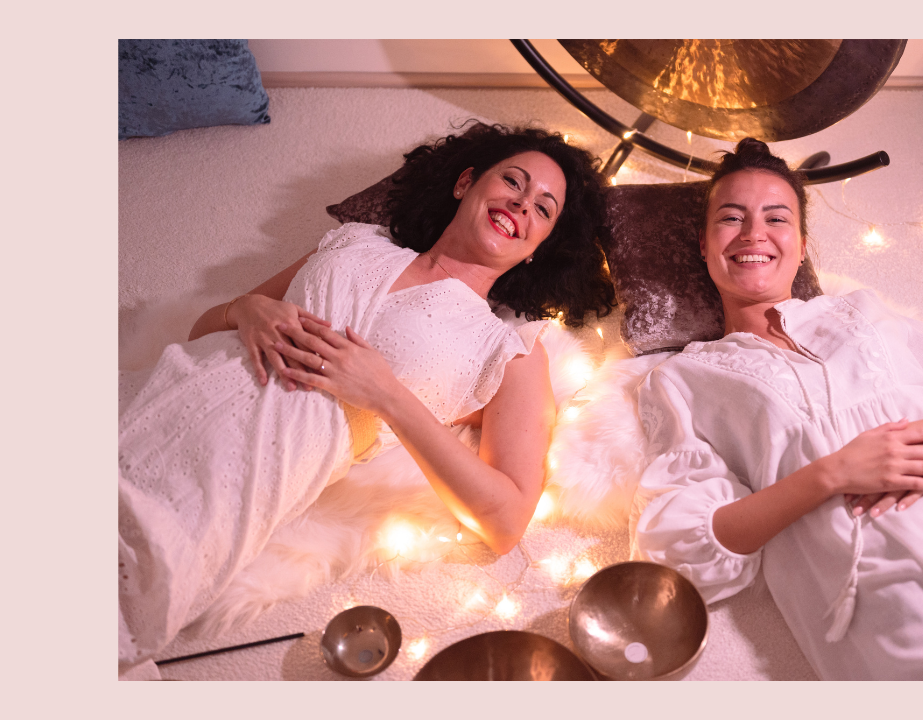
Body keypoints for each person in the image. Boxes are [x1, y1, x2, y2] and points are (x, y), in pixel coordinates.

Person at [118, 122, 615, 676]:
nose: (522, 204)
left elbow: (506, 521)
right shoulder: (355, 242)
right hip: (166, 391)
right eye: (513, 182)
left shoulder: (509, 350)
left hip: (235, 470)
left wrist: (387, 397)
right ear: (466, 183)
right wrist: (245, 309)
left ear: (539, 248)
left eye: (543, 209)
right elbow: (202, 329)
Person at [630, 138, 923, 680]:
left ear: (801, 247)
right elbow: (680, 550)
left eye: (776, 218)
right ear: (704, 246)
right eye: (732, 218)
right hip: (878, 584)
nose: (753, 233)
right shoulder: (683, 378)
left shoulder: (866, 313)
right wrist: (833, 472)